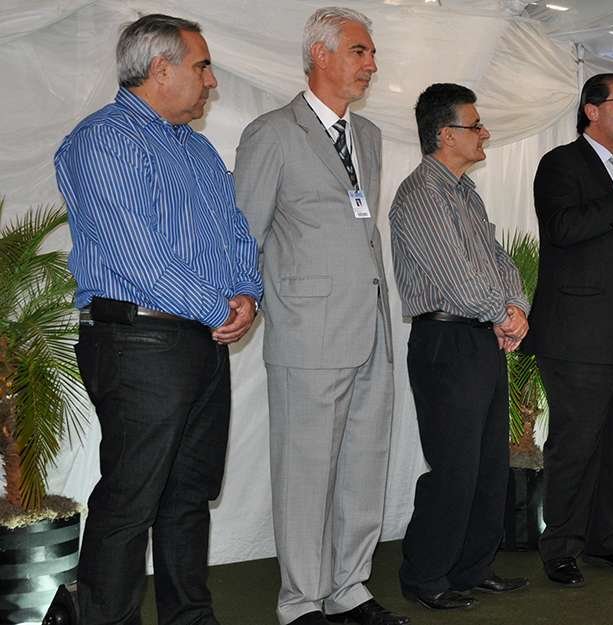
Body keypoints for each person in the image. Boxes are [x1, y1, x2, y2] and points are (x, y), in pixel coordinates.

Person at [54, 14, 262, 625]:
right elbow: (134, 252)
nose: (211, 79)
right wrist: (216, 305)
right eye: (201, 66)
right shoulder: (105, 140)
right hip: (137, 339)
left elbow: (234, 234)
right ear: (161, 68)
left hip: (195, 340)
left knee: (188, 496)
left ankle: (189, 619)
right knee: (130, 499)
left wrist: (247, 293)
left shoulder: (194, 147)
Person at [233, 7, 404, 625]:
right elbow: (243, 233)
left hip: (371, 332)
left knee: (364, 466)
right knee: (305, 476)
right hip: (307, 335)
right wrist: (241, 297)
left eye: (370, 53)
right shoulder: (272, 133)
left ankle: (349, 588)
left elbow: (359, 232)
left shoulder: (371, 137)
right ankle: (300, 601)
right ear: (321, 55)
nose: (371, 64)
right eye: (360, 51)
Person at [390, 82, 531, 610]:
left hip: (479, 338)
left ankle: (472, 567)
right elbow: (456, 279)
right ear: (446, 135)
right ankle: (426, 575)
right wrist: (503, 313)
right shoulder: (422, 194)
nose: (484, 133)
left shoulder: (465, 193)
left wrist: (516, 309)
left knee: (489, 464)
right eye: (475, 125)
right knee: (454, 466)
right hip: (445, 339)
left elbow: (499, 263)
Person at [523, 72, 613, 587]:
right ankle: (559, 545)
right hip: (579, 336)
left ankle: (608, 539)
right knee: (576, 444)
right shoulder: (561, 163)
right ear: (591, 110)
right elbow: (562, 229)